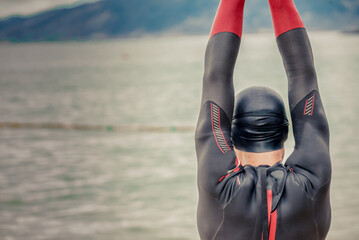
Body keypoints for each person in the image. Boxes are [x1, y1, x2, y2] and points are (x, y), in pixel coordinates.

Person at [194, 0, 331, 239]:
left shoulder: (217, 184)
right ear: (286, 132)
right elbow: (303, 75)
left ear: (232, 137)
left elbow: (216, 77)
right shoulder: (312, 180)